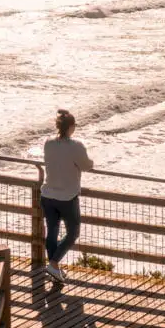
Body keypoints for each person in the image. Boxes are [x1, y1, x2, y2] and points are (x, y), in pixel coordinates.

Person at [41, 109, 93, 283]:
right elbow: (86, 165)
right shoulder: (76, 146)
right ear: (71, 127)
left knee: (52, 231)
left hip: (48, 195)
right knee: (73, 232)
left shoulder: (48, 143)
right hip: (67, 197)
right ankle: (54, 264)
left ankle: (54, 269)